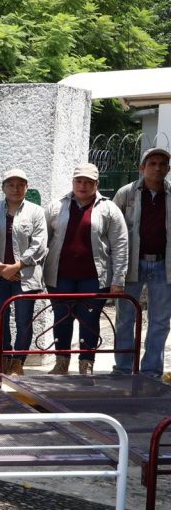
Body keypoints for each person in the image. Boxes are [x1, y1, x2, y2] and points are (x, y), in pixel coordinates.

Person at [43, 162, 128, 375]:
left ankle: (86, 363)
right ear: (73, 182)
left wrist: (118, 279)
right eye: (79, 181)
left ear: (96, 184)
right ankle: (61, 362)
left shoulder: (109, 209)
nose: (82, 186)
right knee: (62, 318)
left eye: (88, 182)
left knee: (89, 321)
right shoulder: (56, 207)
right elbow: (43, 240)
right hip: (61, 276)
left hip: (93, 277)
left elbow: (120, 244)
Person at [0, 169, 48, 377]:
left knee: (23, 320)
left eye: (20, 185)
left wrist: (17, 266)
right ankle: (3, 360)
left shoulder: (36, 212)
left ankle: (18, 362)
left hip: (24, 275)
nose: (16, 189)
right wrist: (0, 267)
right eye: (11, 184)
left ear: (27, 187)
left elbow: (39, 244)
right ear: (3, 188)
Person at [113, 147, 171, 377]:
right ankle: (123, 369)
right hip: (132, 264)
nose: (157, 168)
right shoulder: (126, 194)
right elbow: (113, 232)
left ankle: (151, 372)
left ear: (168, 169)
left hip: (163, 266)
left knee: (159, 320)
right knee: (125, 317)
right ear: (142, 168)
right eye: (152, 163)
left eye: (162, 164)